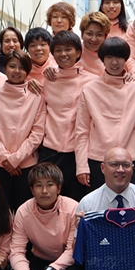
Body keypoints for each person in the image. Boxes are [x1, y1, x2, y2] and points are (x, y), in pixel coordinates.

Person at [8, 163, 85, 270]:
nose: (44, 191)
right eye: (39, 186)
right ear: (31, 189)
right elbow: (16, 252)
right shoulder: (23, 211)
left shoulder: (73, 207)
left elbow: (73, 249)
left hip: (66, 263)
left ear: (58, 188)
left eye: (49, 185)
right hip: (40, 258)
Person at [75, 37, 135, 191]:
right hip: (97, 159)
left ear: (125, 59)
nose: (114, 62)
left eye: (119, 57)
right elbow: (81, 131)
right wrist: (82, 166)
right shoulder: (89, 89)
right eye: (109, 57)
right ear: (103, 60)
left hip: (130, 158)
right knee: (98, 211)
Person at [0, 49, 46, 211]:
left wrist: (16, 159)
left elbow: (37, 133)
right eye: (12, 66)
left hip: (26, 166)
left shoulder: (36, 96)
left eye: (22, 67)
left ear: (28, 70)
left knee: (25, 213)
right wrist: (6, 158)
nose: (17, 71)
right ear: (4, 67)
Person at [38, 31, 98, 202]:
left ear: (78, 52)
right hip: (50, 151)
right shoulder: (49, 79)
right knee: (47, 202)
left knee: (77, 204)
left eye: (68, 49)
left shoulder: (93, 81)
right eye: (58, 50)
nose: (63, 54)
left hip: (78, 153)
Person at [78, 11, 111, 76]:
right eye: (89, 34)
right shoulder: (74, 51)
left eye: (99, 35)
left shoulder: (111, 54)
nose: (94, 39)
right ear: (82, 34)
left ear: (105, 37)